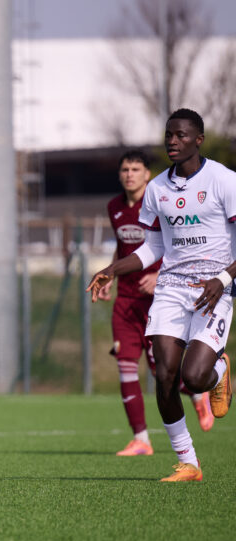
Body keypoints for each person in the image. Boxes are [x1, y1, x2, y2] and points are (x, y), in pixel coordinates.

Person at [88, 108, 235, 482]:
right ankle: (189, 462)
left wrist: (222, 278)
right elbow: (151, 248)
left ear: (198, 140)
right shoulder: (157, 189)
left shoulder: (223, 180)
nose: (172, 141)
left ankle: (218, 372)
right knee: (166, 376)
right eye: (168, 135)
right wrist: (111, 270)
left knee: (195, 375)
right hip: (171, 288)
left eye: (181, 135)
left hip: (214, 288)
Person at [100, 149, 214, 457]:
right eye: (125, 169)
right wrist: (110, 275)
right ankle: (141, 439)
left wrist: (159, 276)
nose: (129, 174)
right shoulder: (114, 207)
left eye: (136, 169)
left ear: (147, 174)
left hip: (158, 300)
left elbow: (178, 244)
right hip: (125, 302)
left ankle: (198, 394)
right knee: (126, 367)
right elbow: (124, 250)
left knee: (163, 372)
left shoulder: (160, 201)